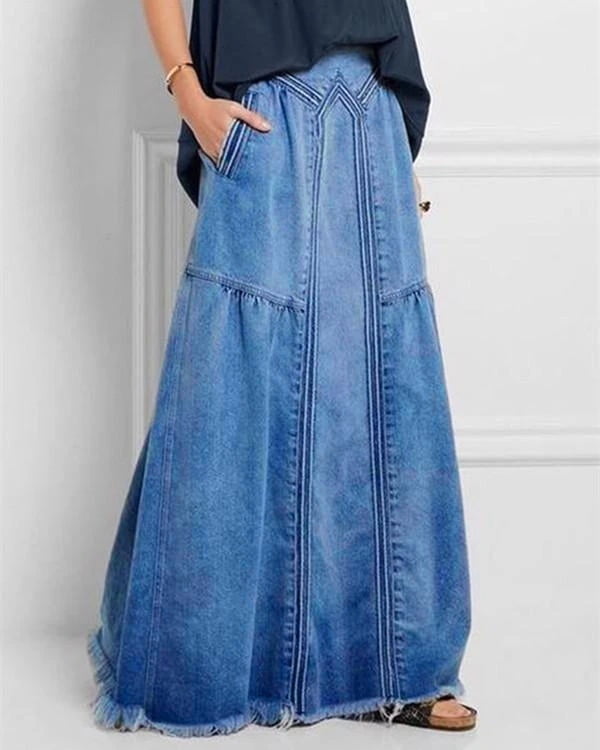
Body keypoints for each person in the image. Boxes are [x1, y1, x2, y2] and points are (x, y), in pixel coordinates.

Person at [86, 0, 477, 736]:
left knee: (381, 387)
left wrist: (392, 142)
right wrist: (188, 93)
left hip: (371, 108)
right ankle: (200, 670)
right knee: (229, 388)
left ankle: (400, 673)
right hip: (264, 112)